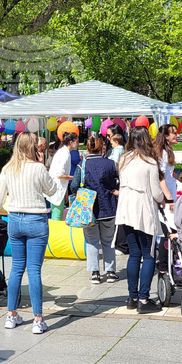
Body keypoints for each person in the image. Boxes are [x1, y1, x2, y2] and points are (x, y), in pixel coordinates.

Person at [0, 132, 59, 333]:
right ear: (33, 148)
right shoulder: (38, 168)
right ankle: (38, 319)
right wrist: (43, 165)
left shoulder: (7, 169)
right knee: (34, 270)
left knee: (16, 269)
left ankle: (11, 315)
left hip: (14, 220)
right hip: (36, 220)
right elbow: (52, 190)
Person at [115, 126, 167, 313]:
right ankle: (144, 300)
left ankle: (132, 296)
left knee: (134, 254)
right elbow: (156, 191)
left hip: (126, 210)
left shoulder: (123, 159)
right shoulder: (150, 162)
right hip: (144, 210)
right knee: (149, 254)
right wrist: (164, 200)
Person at [69, 134, 119, 284]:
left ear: (88, 148)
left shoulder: (82, 165)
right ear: (102, 148)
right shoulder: (110, 164)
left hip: (87, 210)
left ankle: (95, 273)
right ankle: (110, 272)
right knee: (108, 241)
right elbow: (117, 181)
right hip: (108, 207)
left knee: (91, 241)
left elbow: (74, 186)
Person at [48, 132, 78, 220]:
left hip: (58, 189)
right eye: (76, 142)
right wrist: (74, 177)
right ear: (71, 142)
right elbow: (60, 175)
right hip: (57, 189)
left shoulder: (64, 152)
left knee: (57, 215)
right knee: (57, 217)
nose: (77, 144)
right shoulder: (64, 154)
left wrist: (65, 193)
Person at [155, 123, 181, 204]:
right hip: (165, 196)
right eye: (174, 133)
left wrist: (174, 176)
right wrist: (169, 198)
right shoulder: (162, 152)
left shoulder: (167, 151)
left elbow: (166, 173)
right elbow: (160, 176)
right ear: (166, 136)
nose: (178, 135)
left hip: (169, 193)